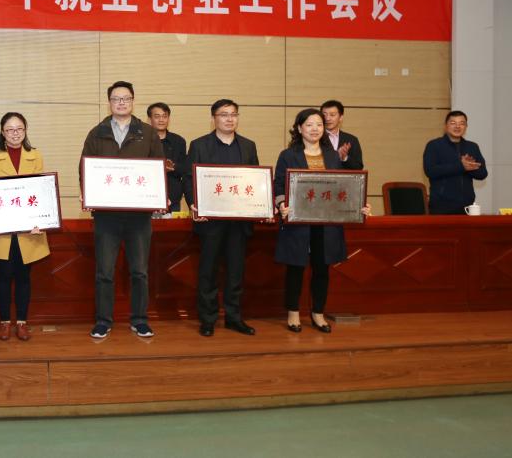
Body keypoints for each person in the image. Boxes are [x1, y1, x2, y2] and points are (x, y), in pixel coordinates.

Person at [274, 108, 371, 333]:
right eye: (309, 124)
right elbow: (279, 184)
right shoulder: (288, 155)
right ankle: (293, 313)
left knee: (322, 269)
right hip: (298, 223)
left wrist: (359, 205)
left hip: (326, 223)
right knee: (296, 268)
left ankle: (318, 313)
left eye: (319, 124)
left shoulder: (332, 156)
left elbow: (345, 185)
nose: (315, 129)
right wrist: (281, 204)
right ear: (299, 128)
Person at [81, 81, 164, 339]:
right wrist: (88, 192)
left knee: (139, 271)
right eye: (116, 99)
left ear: (133, 101)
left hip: (139, 217)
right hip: (106, 216)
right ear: (109, 103)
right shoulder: (96, 133)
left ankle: (139, 320)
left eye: (126, 98)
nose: (121, 103)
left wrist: (158, 195)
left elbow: (158, 168)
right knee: (104, 272)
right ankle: (103, 320)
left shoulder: (147, 133)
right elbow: (84, 169)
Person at [184, 99, 261, 337]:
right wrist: (194, 204)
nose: (229, 119)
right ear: (213, 118)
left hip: (239, 221)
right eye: (224, 114)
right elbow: (189, 178)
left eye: (233, 114)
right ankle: (208, 319)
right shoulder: (199, 145)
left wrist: (262, 206)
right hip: (211, 222)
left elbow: (255, 180)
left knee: (236, 272)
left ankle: (233, 318)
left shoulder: (248, 146)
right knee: (208, 272)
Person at [0, 112, 49, 341]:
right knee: (3, 275)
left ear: (25, 130)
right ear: (3, 132)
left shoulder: (35, 155)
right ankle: (4, 322)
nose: (15, 133)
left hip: (29, 230)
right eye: (9, 130)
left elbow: (41, 192)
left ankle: (21, 322)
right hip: (1, 231)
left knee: (23, 276)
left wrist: (42, 220)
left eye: (19, 129)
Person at [423, 110, 488, 214]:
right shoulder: (434, 145)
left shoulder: (472, 147)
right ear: (445, 126)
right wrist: (460, 166)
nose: (457, 126)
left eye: (462, 123)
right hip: (441, 206)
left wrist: (469, 167)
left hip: (467, 206)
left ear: (466, 126)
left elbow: (482, 174)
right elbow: (430, 171)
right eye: (453, 123)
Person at [147, 102, 187, 213]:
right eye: (157, 116)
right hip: (148, 195)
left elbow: (185, 168)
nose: (161, 120)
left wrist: (173, 167)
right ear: (150, 119)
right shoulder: (142, 141)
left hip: (173, 196)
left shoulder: (179, 141)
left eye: (164, 116)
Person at [320, 100, 364, 170]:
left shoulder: (351, 140)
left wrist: (345, 158)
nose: (327, 118)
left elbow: (358, 167)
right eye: (324, 115)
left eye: (332, 115)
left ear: (341, 117)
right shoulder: (315, 138)